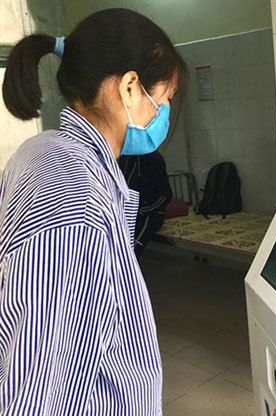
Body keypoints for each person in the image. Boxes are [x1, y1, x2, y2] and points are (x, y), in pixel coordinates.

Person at [0, 8, 186, 414]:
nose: (163, 115)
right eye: (166, 99)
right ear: (131, 88)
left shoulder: (42, 152)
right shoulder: (75, 199)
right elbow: (33, 383)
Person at [118, 151, 173, 258]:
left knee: (129, 253)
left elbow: (166, 194)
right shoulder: (125, 157)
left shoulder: (152, 158)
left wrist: (144, 210)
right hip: (128, 211)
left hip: (148, 214)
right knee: (119, 248)